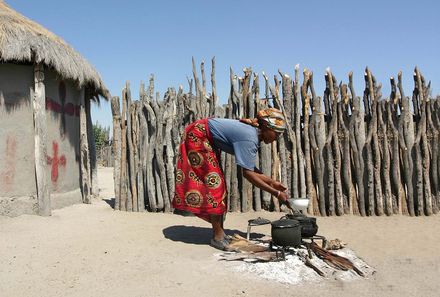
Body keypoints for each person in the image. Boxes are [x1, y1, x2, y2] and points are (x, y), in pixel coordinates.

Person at [172, 108, 291, 250]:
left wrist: (272, 182)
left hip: (204, 136)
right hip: (197, 136)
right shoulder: (250, 137)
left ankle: (220, 233)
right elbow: (248, 174)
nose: (275, 138)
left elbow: (249, 167)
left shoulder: (253, 135)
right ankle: (218, 237)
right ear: (266, 127)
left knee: (218, 186)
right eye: (276, 134)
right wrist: (276, 194)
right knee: (216, 186)